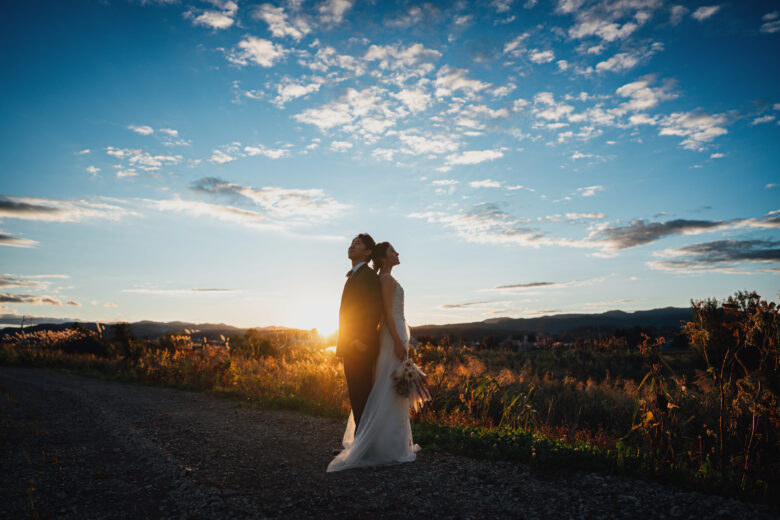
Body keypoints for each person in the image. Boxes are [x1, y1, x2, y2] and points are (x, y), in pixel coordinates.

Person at [328, 241, 420, 472]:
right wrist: (397, 341)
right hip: (391, 337)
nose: (397, 253)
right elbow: (384, 313)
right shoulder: (383, 279)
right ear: (382, 257)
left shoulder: (376, 278)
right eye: (393, 251)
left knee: (381, 386)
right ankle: (376, 443)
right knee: (382, 387)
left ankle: (379, 442)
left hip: (392, 336)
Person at [335, 233, 382, 435]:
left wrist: (362, 340)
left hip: (360, 347)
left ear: (368, 252)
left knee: (362, 396)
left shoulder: (368, 276)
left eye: (358, 244)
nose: (352, 246)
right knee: (356, 396)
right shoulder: (354, 274)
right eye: (352, 243)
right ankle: (359, 445)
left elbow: (374, 310)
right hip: (350, 345)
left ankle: (364, 448)